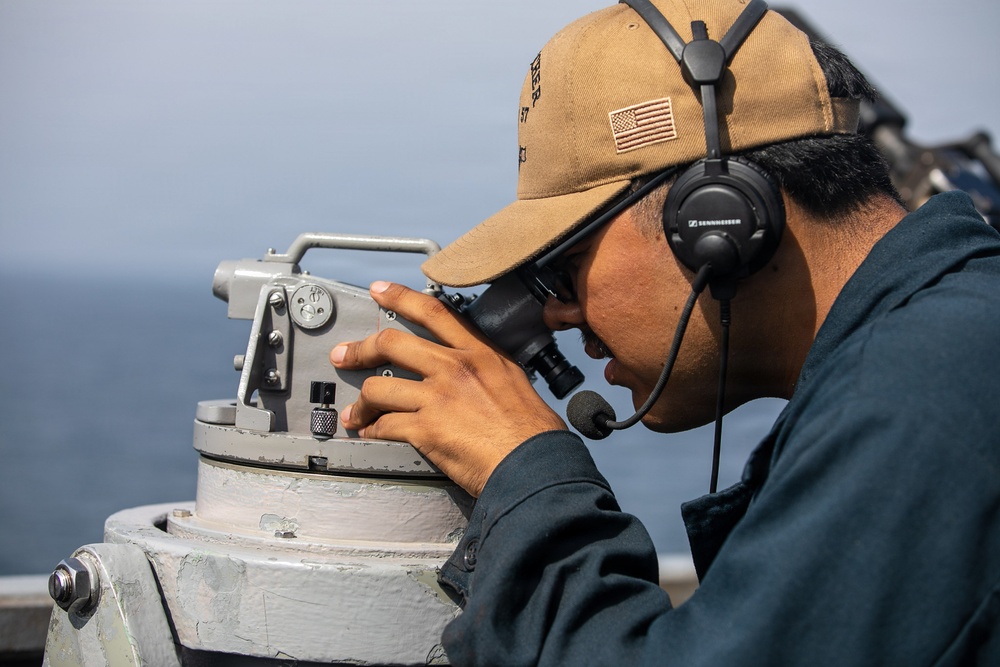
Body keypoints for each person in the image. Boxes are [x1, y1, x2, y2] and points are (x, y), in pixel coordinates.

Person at [330, 0, 1000, 663]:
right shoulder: (946, 343)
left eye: (565, 265)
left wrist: (528, 476)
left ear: (716, 218)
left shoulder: (913, 399)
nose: (561, 315)